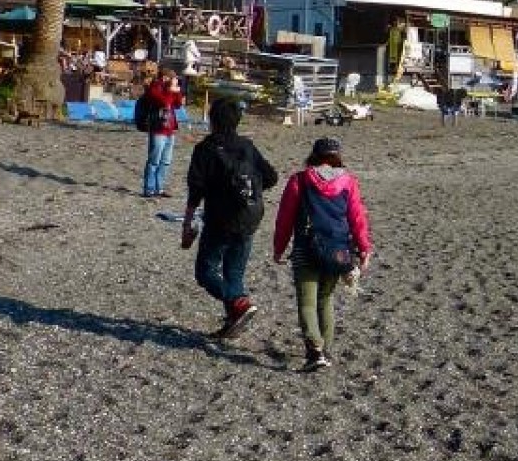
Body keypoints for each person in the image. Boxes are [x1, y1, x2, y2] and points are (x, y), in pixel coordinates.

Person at [272, 137, 374, 371]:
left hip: (306, 248)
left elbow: (285, 218)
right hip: (338, 250)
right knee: (325, 300)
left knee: (307, 303)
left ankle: (315, 351)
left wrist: (279, 248)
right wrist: (364, 249)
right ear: (337, 157)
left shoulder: (299, 180)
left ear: (314, 156)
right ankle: (325, 350)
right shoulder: (348, 182)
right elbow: (357, 218)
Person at [181, 99, 277, 339]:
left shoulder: (205, 149)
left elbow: (196, 189)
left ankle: (238, 304)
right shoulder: (247, 146)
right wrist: (249, 192)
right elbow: (271, 176)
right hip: (250, 216)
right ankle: (234, 320)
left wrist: (188, 220)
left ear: (212, 120)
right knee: (234, 273)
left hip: (221, 218)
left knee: (205, 272)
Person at [139, 68, 184, 198]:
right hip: (158, 128)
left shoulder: (169, 89)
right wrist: (171, 90)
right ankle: (149, 189)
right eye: (172, 78)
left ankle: (160, 188)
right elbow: (165, 102)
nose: (173, 81)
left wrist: (176, 91)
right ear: (164, 77)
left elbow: (178, 104)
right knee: (154, 160)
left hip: (170, 129)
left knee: (165, 161)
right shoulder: (155, 88)